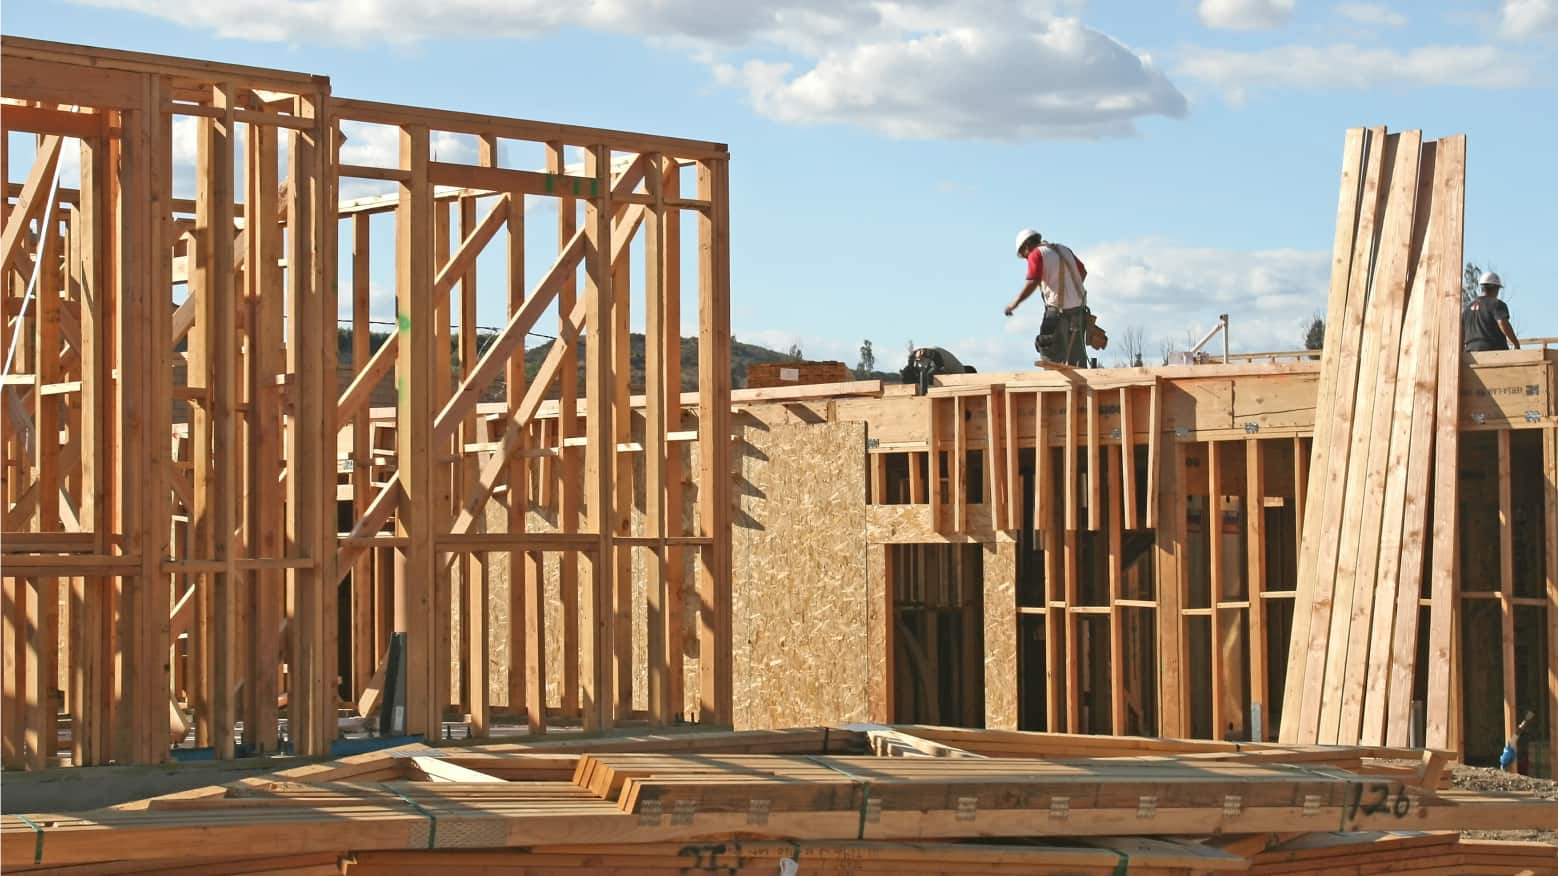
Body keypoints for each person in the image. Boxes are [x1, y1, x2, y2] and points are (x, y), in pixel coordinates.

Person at [1005, 228, 1090, 366]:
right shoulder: (1064, 249)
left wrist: (1015, 303)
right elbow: (1083, 272)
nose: (1027, 259)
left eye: (1024, 255)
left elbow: (1032, 282)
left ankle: (1053, 382)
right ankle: (1080, 383)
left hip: (1057, 310)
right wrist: (1071, 292)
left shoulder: (1036, 254)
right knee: (1077, 357)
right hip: (1079, 310)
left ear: (1026, 246)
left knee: (1046, 346)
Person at [1463, 271, 1520, 352]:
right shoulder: (1497, 304)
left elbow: (1461, 332)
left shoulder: (1467, 309)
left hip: (1471, 353)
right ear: (1495, 288)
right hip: (1493, 351)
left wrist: (1461, 353)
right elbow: (1502, 322)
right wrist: (1516, 343)